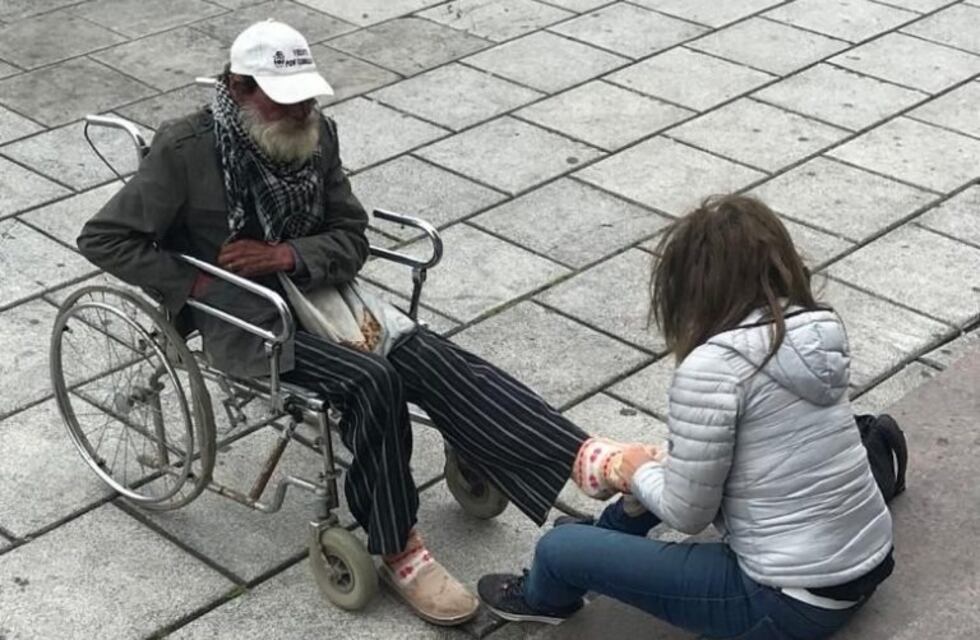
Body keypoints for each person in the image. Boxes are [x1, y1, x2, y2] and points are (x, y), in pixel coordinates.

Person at [76, 20, 639, 627]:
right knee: (374, 382)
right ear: (240, 88)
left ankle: (586, 459)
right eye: (285, 97)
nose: (302, 109)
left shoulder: (317, 136)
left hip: (326, 296)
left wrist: (289, 256)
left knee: (431, 355)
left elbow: (351, 235)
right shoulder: (186, 150)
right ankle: (398, 547)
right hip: (246, 319)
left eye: (308, 96)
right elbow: (105, 238)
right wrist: (199, 283)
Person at [478, 195, 895, 639]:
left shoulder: (713, 367)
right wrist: (649, 472)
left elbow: (688, 513)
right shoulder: (814, 329)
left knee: (558, 550)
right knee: (657, 475)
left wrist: (634, 469)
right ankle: (605, 540)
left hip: (785, 600)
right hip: (862, 561)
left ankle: (543, 598)